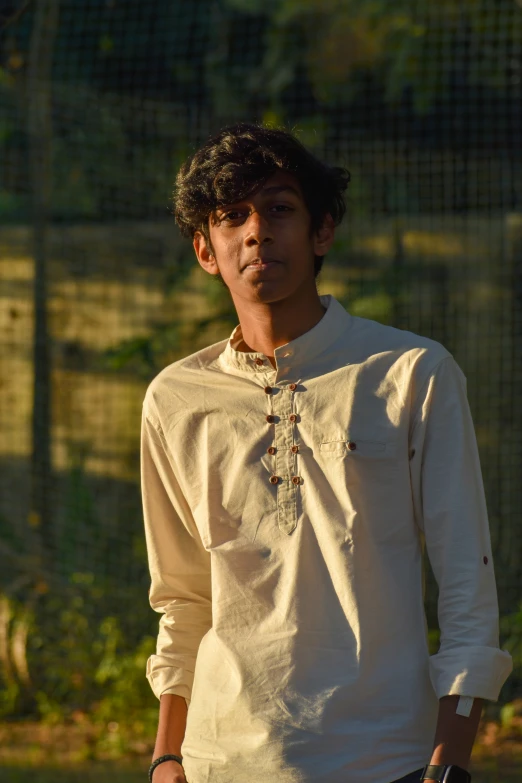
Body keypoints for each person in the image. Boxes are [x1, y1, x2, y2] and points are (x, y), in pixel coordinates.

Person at [140, 123, 513, 783]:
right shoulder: (175, 398)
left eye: (280, 208)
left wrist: (448, 760)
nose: (257, 231)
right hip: (218, 760)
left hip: (386, 758)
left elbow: (466, 581)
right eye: (232, 216)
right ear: (206, 249)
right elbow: (183, 595)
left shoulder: (410, 372)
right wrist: (168, 756)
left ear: (322, 232)